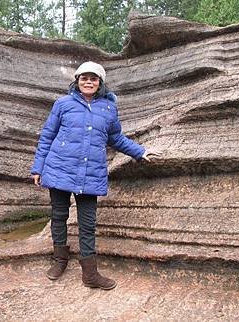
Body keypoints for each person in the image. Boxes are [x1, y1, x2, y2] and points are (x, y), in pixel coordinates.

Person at [31, 61, 160, 290]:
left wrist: (140, 151)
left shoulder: (108, 108)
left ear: (100, 83)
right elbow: (47, 136)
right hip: (59, 167)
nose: (88, 82)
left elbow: (116, 139)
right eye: (84, 78)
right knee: (59, 216)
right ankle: (59, 260)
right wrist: (38, 168)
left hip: (90, 172)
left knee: (88, 224)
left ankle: (90, 273)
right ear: (77, 81)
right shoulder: (63, 104)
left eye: (93, 78)